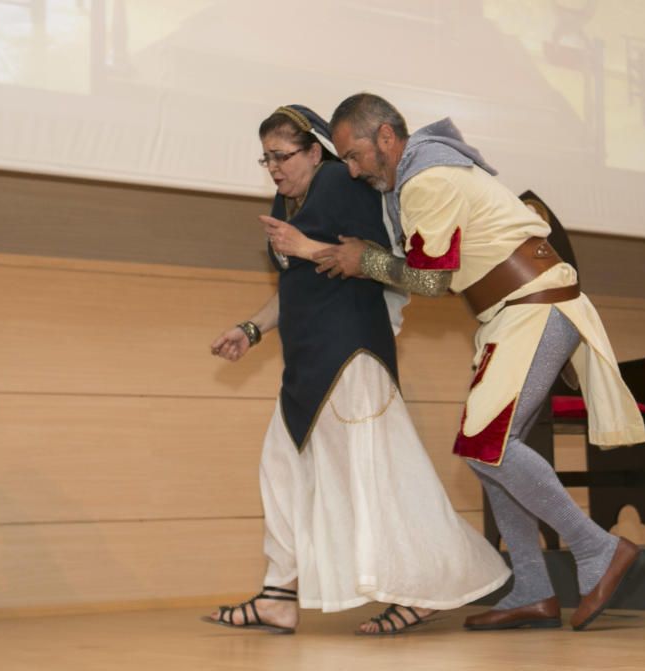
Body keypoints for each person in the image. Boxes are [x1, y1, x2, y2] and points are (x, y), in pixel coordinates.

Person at [314, 93, 645, 632]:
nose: (351, 170)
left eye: (353, 155)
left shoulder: (425, 180)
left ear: (385, 138)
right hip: (517, 311)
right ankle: (536, 588)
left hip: (533, 306)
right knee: (486, 451)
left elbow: (431, 281)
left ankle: (597, 550)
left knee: (487, 447)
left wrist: (366, 261)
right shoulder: (426, 171)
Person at [202, 104, 509, 636]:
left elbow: (380, 260)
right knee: (281, 467)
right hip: (307, 359)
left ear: (314, 151)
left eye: (282, 156)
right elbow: (297, 288)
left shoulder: (340, 187)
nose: (273, 168)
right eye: (266, 158)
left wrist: (306, 246)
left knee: (377, 475)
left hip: (350, 358)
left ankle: (426, 589)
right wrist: (250, 330)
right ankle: (279, 593)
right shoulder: (289, 200)